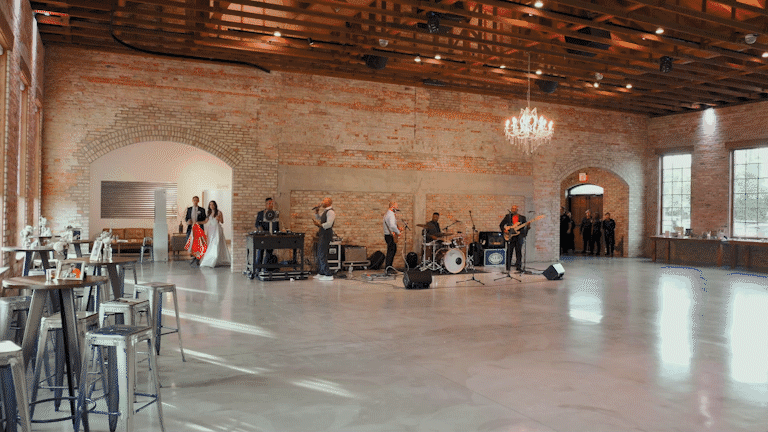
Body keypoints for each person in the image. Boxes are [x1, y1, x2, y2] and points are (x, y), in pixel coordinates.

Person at [199, 200, 231, 268]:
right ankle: (211, 259)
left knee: (216, 243)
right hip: (210, 230)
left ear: (215, 205)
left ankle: (216, 259)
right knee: (211, 244)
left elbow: (222, 221)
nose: (211, 206)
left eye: (213, 204)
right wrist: (197, 222)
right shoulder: (209, 213)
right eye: (210, 205)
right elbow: (205, 221)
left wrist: (219, 218)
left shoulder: (219, 212)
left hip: (217, 229)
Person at [313, 197, 336, 281]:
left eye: (324, 201)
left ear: (328, 202)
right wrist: (316, 211)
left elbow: (329, 224)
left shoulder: (331, 212)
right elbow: (319, 218)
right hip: (322, 233)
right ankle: (321, 272)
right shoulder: (325, 211)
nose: (322, 202)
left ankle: (328, 274)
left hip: (326, 234)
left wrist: (319, 225)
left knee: (322, 254)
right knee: (319, 253)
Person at [500, 205, 528, 273]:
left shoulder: (522, 218)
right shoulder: (508, 216)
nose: (513, 210)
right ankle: (508, 267)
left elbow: (525, 227)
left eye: (515, 209)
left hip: (519, 236)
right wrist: (504, 230)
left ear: (517, 210)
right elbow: (501, 225)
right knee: (509, 251)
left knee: (519, 252)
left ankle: (518, 267)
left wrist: (526, 229)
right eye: (512, 208)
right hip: (510, 236)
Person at [255, 197, 279, 265]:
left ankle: (267, 270)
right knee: (260, 253)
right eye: (268, 204)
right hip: (262, 237)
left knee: (269, 254)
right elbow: (257, 224)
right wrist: (260, 229)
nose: (270, 205)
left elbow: (277, 226)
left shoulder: (275, 214)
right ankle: (258, 271)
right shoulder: (260, 213)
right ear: (265, 204)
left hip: (271, 237)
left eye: (271, 204)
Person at [185, 196, 207, 266]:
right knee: (190, 242)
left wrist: (199, 222)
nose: (195, 201)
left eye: (197, 200)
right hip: (190, 228)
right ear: (192, 200)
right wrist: (188, 221)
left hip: (199, 228)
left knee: (198, 243)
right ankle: (193, 255)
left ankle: (198, 258)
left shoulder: (202, 210)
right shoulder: (189, 209)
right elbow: (186, 218)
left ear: (198, 201)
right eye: (194, 200)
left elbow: (204, 219)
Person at [383, 201, 401, 274]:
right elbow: (392, 226)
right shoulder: (391, 215)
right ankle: (388, 268)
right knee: (391, 251)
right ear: (392, 206)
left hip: (387, 235)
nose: (397, 208)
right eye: (396, 206)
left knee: (390, 251)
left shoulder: (387, 214)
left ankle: (388, 267)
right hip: (390, 236)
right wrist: (398, 232)